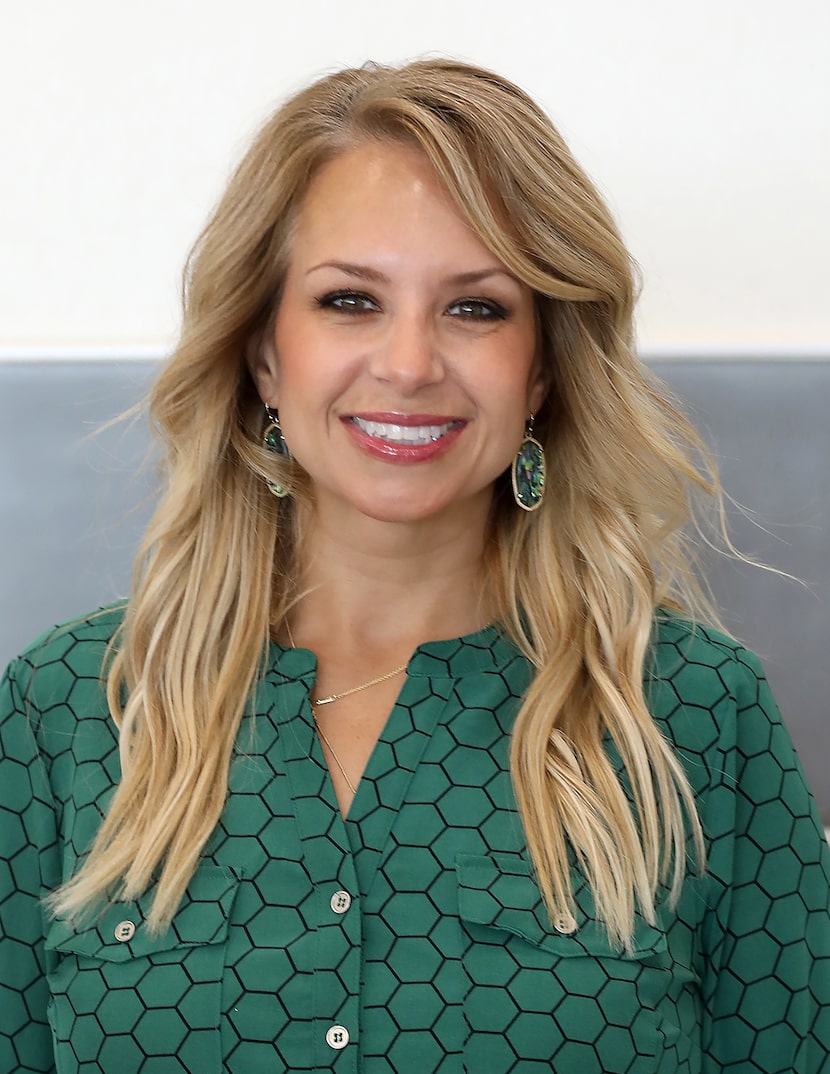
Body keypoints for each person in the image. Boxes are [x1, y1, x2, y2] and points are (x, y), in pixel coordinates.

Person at [1, 58, 827, 1074]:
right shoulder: (68, 709)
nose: (406, 364)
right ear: (264, 353)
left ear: (541, 372)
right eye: (349, 300)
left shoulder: (696, 713)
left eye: (474, 308)